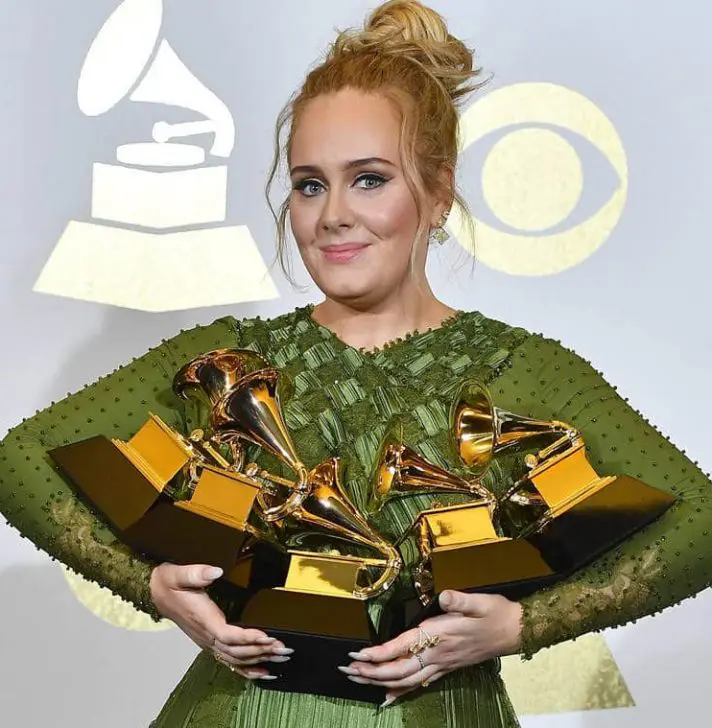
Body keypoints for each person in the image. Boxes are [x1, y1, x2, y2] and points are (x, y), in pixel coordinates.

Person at [1, 1, 711, 726]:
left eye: (369, 178)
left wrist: (522, 626)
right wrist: (154, 588)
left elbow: (702, 522)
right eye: (310, 184)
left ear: (438, 193)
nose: (332, 213)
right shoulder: (230, 358)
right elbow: (19, 460)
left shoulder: (521, 369)